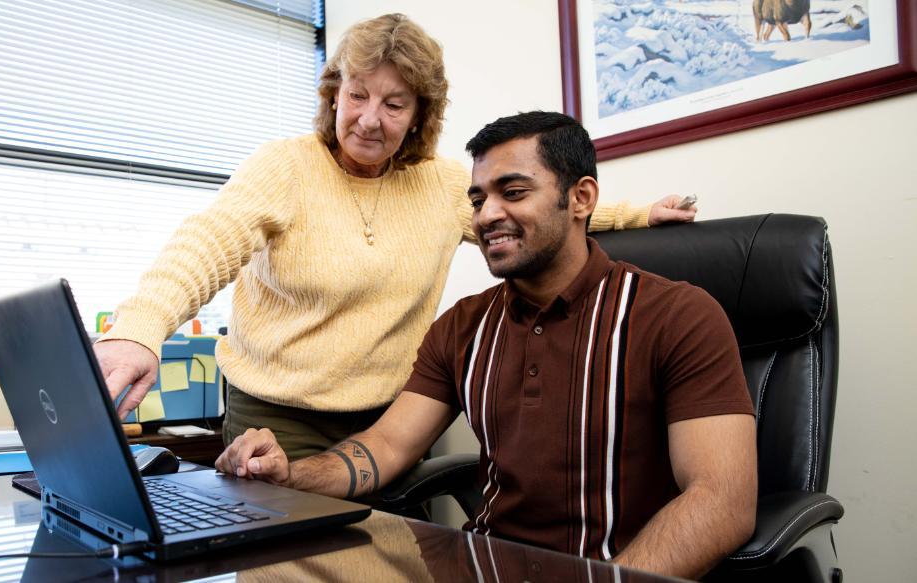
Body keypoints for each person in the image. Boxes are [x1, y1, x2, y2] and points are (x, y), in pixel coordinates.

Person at [96, 14, 697, 460]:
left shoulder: (439, 186)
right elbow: (205, 244)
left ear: (418, 115)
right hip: (280, 417)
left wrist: (639, 214)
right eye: (356, 95)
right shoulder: (285, 167)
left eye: (393, 103)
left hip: (396, 416)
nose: (368, 118)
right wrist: (139, 332)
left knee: (396, 561)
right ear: (334, 94)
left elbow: (531, 210)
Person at [214, 111, 756, 579]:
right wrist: (292, 474)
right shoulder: (464, 326)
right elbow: (384, 448)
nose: (487, 214)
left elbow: (723, 502)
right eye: (478, 198)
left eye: (513, 192)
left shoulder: (677, 315)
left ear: (581, 198)